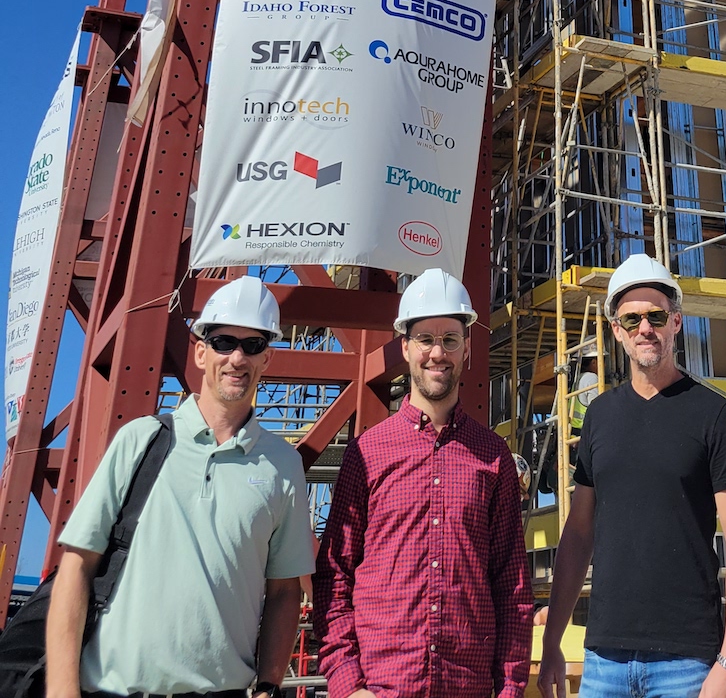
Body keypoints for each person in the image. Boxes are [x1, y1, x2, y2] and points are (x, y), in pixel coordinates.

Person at [45, 275, 314, 698]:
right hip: (113, 690)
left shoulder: (284, 466)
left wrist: (269, 686)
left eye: (253, 345)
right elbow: (77, 565)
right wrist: (61, 691)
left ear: (268, 358)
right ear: (201, 351)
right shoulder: (140, 440)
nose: (237, 358)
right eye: (224, 342)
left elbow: (284, 591)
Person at [538, 253, 726, 698]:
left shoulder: (713, 414)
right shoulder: (599, 416)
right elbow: (579, 534)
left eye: (656, 316)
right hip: (604, 660)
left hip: (688, 661)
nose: (645, 328)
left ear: (676, 322)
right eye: (632, 318)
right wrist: (551, 643)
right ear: (617, 330)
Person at [314, 267, 533, 698]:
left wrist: (509, 690)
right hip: (382, 687)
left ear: (466, 349)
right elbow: (334, 576)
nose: (438, 353)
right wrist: (346, 683)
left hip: (466, 687)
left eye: (450, 339)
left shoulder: (493, 456)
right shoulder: (367, 452)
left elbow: (513, 587)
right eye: (426, 340)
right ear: (406, 346)